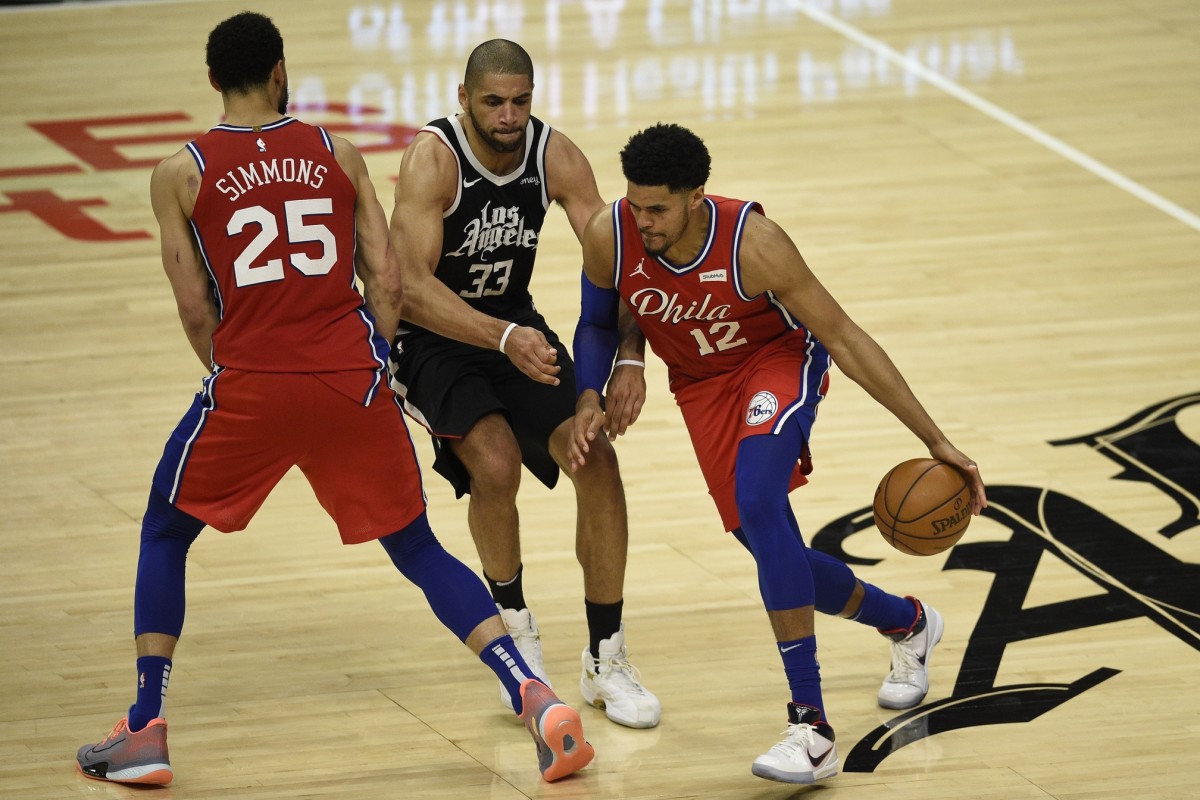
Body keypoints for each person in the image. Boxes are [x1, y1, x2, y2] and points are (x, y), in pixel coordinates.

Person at [75, 13, 593, 787]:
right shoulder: (337, 152)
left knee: (165, 529)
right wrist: (369, 359)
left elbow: (192, 306)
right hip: (351, 378)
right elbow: (387, 279)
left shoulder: (179, 173)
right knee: (417, 548)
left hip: (252, 382)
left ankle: (145, 726)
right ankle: (535, 696)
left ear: (214, 80)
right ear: (280, 72)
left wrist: (238, 375)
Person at [570, 123, 988, 784]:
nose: (642, 220)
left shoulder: (754, 243)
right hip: (701, 385)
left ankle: (811, 728)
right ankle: (908, 622)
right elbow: (598, 319)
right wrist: (596, 388)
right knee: (768, 545)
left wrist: (934, 439)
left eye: (658, 209)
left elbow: (845, 338)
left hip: (775, 362)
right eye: (636, 204)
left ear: (697, 197)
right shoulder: (609, 232)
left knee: (760, 502)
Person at [386, 39, 660, 728]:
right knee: (496, 460)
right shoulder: (434, 160)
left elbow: (620, 260)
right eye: (493, 102)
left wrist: (630, 357)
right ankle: (514, 629)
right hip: (432, 341)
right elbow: (408, 287)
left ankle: (606, 657)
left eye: (520, 101)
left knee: (597, 458)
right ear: (464, 98)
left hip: (513, 325)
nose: (508, 117)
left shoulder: (554, 154)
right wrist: (503, 337)